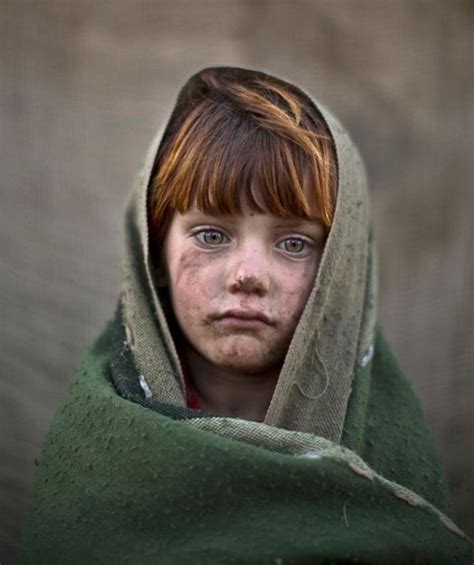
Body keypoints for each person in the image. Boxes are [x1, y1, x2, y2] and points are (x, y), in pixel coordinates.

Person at [17, 66, 472, 564]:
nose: (248, 275)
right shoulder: (92, 457)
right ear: (154, 254)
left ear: (339, 272)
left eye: (294, 243)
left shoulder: (393, 458)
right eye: (211, 235)